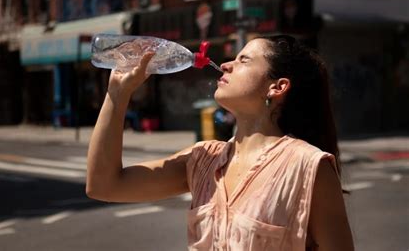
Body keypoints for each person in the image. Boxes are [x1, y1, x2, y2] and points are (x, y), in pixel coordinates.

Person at [86, 35, 354, 250]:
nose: (226, 65)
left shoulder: (307, 167)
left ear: (277, 87)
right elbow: (104, 186)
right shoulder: (202, 159)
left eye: (243, 60)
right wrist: (117, 95)